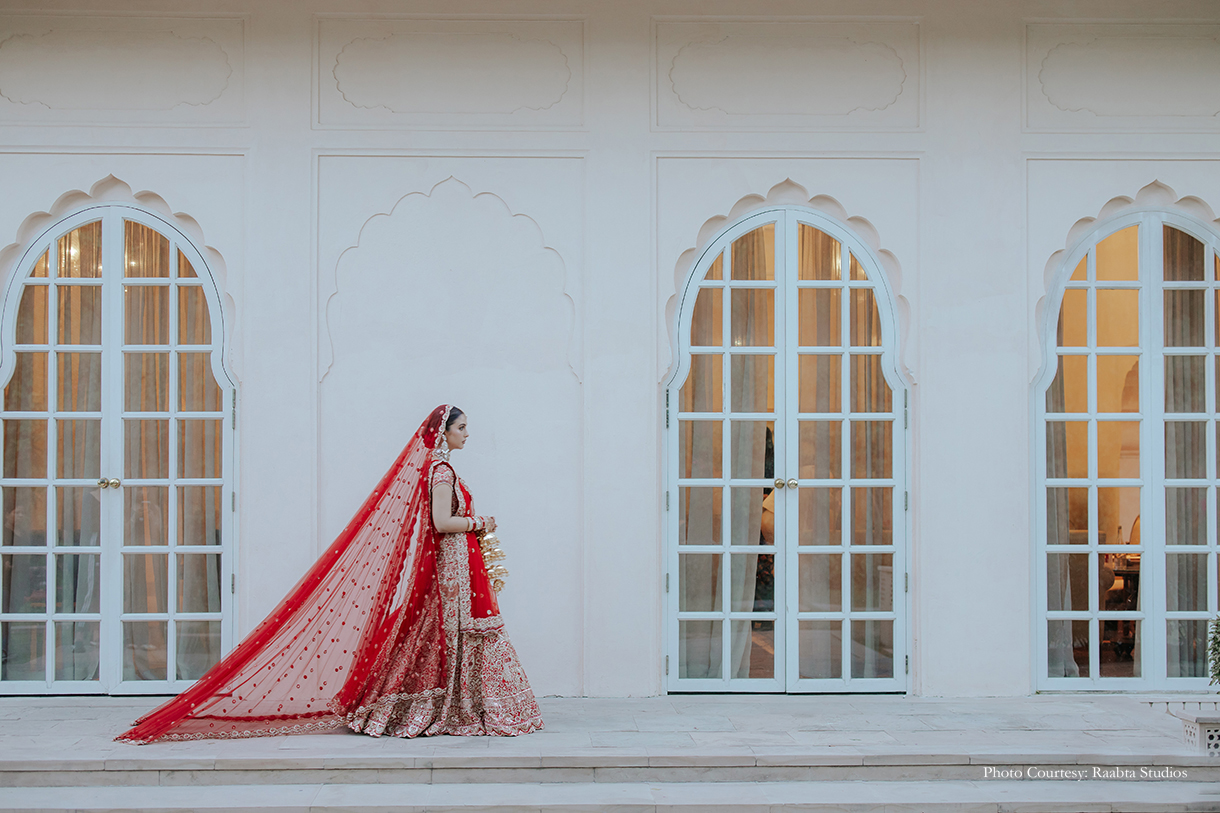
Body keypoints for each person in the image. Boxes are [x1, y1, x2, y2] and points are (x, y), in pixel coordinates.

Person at [116, 404, 543, 743]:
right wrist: (480, 522)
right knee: (447, 631)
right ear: (443, 433)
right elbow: (441, 522)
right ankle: (442, 706)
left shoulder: (438, 469)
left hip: (458, 565)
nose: (467, 434)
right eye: (462, 428)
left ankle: (456, 704)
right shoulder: (442, 471)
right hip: (454, 565)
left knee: (444, 631)